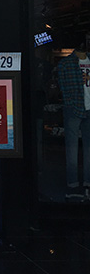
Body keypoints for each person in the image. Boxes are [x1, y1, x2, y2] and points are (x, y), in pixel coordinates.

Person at [57, 33, 90, 199]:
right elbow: (62, 86)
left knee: (87, 148)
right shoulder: (65, 63)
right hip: (73, 107)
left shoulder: (67, 63)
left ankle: (86, 182)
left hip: (87, 107)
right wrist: (69, 103)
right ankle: (73, 183)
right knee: (72, 148)